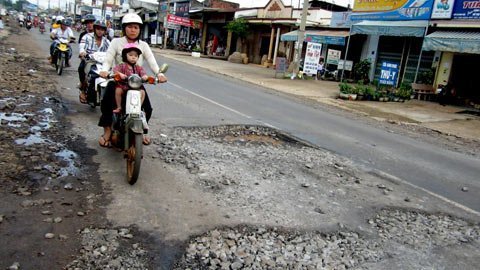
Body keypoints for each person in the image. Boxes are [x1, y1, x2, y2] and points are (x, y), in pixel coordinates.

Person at [98, 13, 167, 147]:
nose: (133, 30)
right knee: (106, 101)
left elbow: (152, 62)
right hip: (118, 80)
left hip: (135, 82)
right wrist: (105, 70)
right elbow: (108, 59)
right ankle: (107, 131)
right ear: (124, 28)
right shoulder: (116, 42)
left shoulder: (143, 45)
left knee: (147, 108)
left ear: (140, 29)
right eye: (130, 27)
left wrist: (159, 74)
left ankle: (143, 131)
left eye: (136, 27)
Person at [78, 20, 110, 103]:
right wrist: (82, 52)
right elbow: (82, 46)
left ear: (104, 31)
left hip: (103, 63)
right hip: (90, 60)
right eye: (98, 29)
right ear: (95, 29)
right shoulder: (87, 37)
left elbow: (112, 51)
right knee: (82, 68)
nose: (100, 31)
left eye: (102, 29)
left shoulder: (107, 41)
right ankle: (82, 90)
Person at [112, 44, 149, 113]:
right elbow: (115, 70)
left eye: (136, 56)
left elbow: (144, 74)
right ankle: (119, 107)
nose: (133, 57)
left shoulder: (138, 67)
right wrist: (120, 74)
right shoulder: (122, 65)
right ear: (125, 55)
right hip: (124, 85)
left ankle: (138, 108)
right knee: (118, 90)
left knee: (143, 92)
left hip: (136, 87)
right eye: (131, 55)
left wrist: (145, 77)